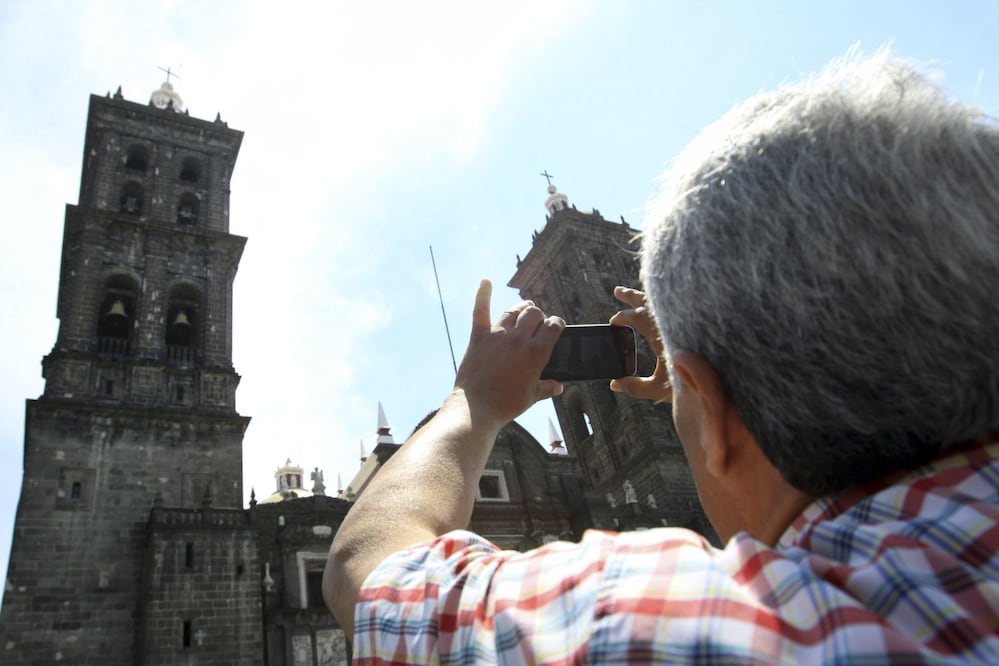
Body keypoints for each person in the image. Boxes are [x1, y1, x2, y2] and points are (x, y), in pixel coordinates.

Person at [324, 51, 999, 663]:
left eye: (684, 391)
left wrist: (471, 401)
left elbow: (368, 572)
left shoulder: (711, 626)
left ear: (716, 410)